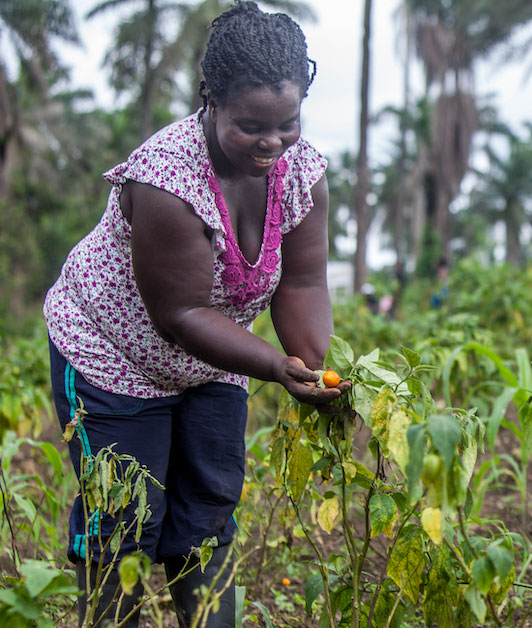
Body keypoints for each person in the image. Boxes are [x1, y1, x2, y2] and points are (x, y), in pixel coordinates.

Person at [41, 3, 347, 626]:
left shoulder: (301, 173)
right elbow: (180, 312)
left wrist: (314, 370)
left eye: (286, 123)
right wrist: (273, 365)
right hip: (113, 356)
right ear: (210, 98)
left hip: (217, 362)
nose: (271, 143)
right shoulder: (165, 179)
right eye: (251, 125)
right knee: (124, 517)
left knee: (210, 508)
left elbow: (303, 283)